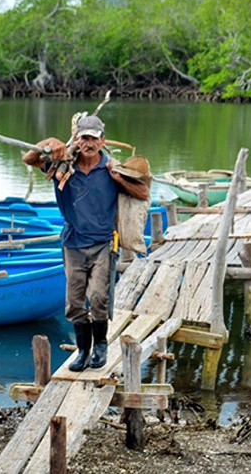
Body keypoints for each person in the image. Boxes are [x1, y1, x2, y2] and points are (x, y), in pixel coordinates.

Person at [22, 115, 149, 371]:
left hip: (103, 243)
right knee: (74, 302)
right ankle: (83, 351)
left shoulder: (112, 168)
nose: (89, 143)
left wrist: (119, 180)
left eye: (94, 137)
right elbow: (28, 158)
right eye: (84, 137)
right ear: (77, 139)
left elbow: (144, 193)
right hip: (73, 244)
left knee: (99, 297)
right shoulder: (61, 165)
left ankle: (100, 345)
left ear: (102, 140)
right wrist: (49, 142)